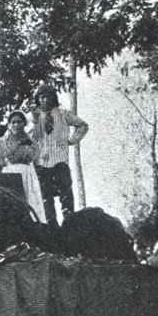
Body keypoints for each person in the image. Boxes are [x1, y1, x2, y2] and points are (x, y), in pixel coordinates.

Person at [30, 84, 89, 225]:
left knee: (66, 193)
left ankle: (69, 223)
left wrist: (71, 140)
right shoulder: (34, 116)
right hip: (42, 162)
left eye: (48, 97)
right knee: (45, 196)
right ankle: (52, 225)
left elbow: (83, 125)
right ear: (38, 99)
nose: (45, 100)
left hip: (60, 160)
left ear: (53, 98)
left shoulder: (63, 113)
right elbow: (25, 135)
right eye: (42, 97)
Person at [0, 109, 47, 223]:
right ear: (9, 125)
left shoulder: (32, 142)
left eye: (19, 122)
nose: (16, 125)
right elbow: (0, 161)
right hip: (10, 173)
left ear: (24, 123)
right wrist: (18, 145)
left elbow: (36, 159)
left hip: (27, 173)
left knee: (30, 201)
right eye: (13, 122)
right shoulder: (2, 142)